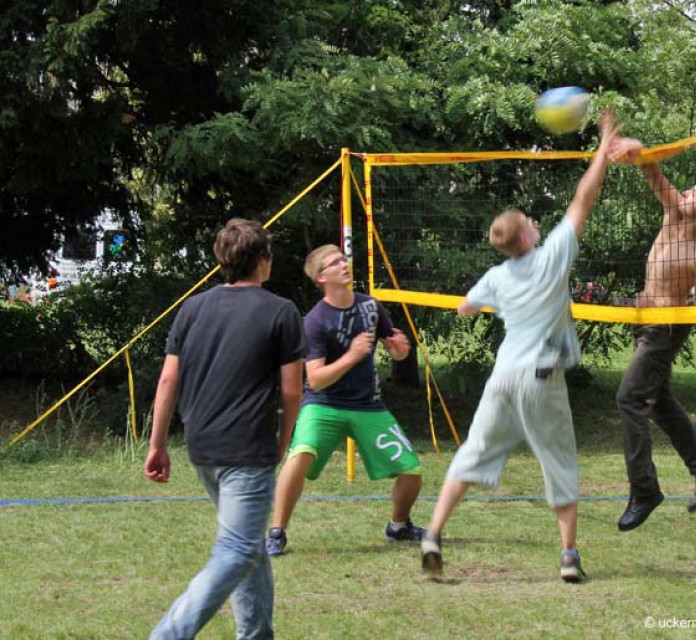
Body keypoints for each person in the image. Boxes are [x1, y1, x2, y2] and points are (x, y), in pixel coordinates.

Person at [420, 110, 620, 584]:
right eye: (531, 221)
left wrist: (487, 303)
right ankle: (569, 556)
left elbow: (465, 307)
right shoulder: (552, 255)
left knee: (471, 454)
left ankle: (432, 533)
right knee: (560, 461)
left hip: (503, 374)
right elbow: (583, 198)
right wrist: (603, 145)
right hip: (540, 374)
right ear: (529, 236)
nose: (536, 222)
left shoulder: (495, 276)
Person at [144, 218, 306, 640]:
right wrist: (284, 441)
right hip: (247, 451)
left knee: (248, 544)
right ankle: (168, 634)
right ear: (263, 260)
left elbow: (167, 381)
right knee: (236, 551)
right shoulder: (281, 311)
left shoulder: (192, 308)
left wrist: (157, 444)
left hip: (202, 448)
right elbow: (293, 392)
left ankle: (256, 634)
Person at [608, 137, 696, 531]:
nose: (683, 191)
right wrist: (636, 149)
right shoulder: (672, 212)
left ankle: (644, 490)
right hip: (644, 319)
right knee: (659, 400)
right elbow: (651, 169)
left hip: (663, 330)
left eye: (692, 192)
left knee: (630, 399)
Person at [266, 244, 424, 556]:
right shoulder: (314, 321)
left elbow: (395, 346)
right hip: (323, 404)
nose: (344, 264)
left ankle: (399, 526)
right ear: (321, 278)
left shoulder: (371, 307)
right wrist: (352, 356)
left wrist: (399, 350)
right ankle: (277, 532)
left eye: (343, 259)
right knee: (301, 454)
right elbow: (315, 378)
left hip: (368, 405)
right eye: (335, 262)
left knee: (412, 471)